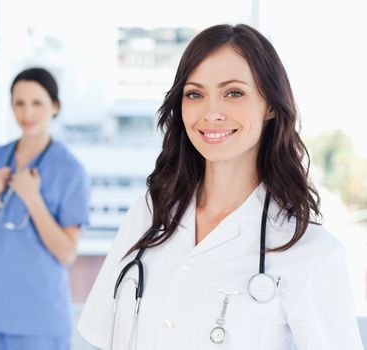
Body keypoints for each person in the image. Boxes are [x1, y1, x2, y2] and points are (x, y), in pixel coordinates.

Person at [77, 24, 364, 349]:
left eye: (234, 93)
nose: (211, 113)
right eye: (195, 94)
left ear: (270, 104)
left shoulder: (310, 252)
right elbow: (105, 336)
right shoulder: (148, 216)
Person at [0, 67, 91, 350]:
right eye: (19, 103)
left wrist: (32, 199)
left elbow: (66, 252)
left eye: (37, 103)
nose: (27, 113)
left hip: (40, 317)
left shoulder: (69, 170)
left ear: (54, 107)